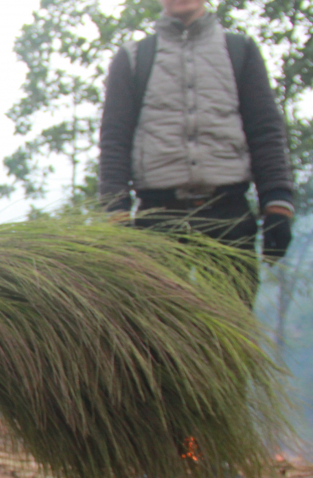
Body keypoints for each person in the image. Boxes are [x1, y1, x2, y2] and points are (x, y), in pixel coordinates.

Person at [98, 0, 294, 302]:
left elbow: (265, 131)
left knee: (231, 334)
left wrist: (278, 205)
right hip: (156, 218)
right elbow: (115, 137)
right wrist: (115, 211)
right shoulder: (134, 58)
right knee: (156, 336)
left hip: (229, 215)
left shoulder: (239, 50)